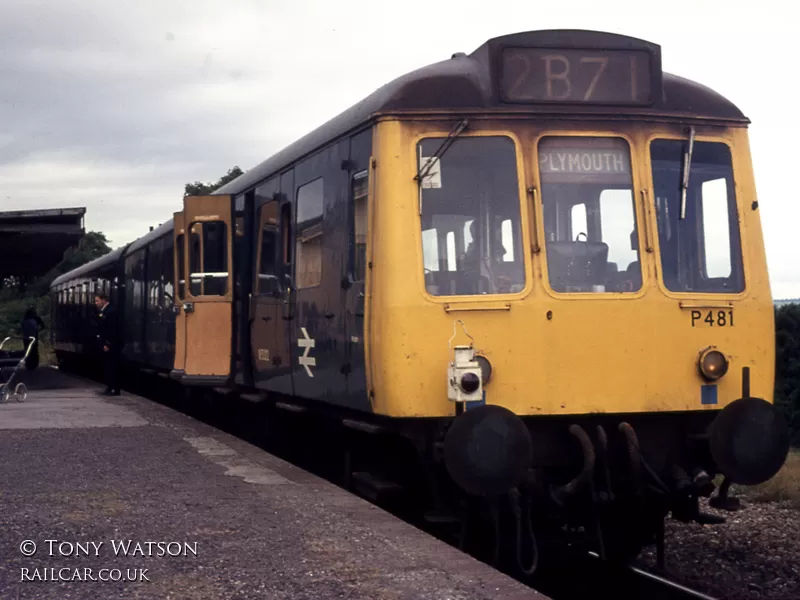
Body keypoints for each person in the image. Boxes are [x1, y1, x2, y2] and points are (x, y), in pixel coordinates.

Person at [94, 292, 121, 396]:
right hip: (106, 343)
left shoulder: (111, 312)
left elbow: (112, 330)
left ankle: (114, 388)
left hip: (111, 344)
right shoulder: (105, 311)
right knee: (108, 366)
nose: (96, 303)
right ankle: (110, 387)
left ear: (104, 300)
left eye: (97, 301)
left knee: (112, 366)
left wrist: (108, 344)